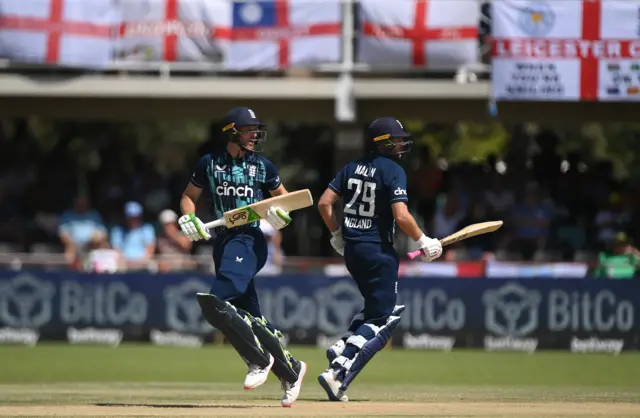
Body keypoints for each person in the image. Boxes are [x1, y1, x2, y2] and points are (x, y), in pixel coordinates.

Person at [178, 107, 306, 408]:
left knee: (215, 303)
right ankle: (292, 371)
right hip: (223, 242)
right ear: (233, 132)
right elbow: (188, 197)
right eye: (249, 130)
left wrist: (280, 216)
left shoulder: (263, 166)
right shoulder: (209, 163)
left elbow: (286, 201)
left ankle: (259, 360)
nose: (254, 135)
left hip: (249, 240)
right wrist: (189, 218)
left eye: (255, 130)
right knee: (251, 316)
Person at [316, 117, 443, 402]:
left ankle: (343, 345)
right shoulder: (393, 170)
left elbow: (324, 202)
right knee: (385, 318)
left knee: (374, 309)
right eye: (396, 139)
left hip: (353, 251)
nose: (401, 144)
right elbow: (401, 215)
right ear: (383, 142)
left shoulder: (350, 168)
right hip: (379, 251)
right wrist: (424, 241)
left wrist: (337, 234)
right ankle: (339, 370)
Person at [58, 195, 108, 269]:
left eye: (83, 203)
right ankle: (71, 274)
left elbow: (103, 233)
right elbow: (62, 234)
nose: (81, 205)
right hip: (74, 244)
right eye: (79, 203)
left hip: (92, 244)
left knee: (103, 246)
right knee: (70, 251)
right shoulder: (68, 215)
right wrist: (71, 244)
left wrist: (94, 240)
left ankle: (99, 273)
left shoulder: (94, 215)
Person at [110, 201, 156, 270]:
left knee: (153, 265)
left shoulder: (147, 229)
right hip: (124, 264)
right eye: (131, 217)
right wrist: (127, 263)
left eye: (136, 216)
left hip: (144, 263)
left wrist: (140, 263)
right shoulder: (117, 230)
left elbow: (150, 249)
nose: (134, 219)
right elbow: (117, 250)